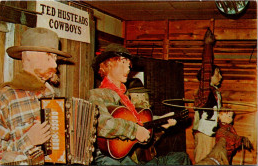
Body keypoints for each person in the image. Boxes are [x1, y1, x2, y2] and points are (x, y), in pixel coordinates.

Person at [89, 43, 190, 165]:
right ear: (108, 65)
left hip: (130, 158)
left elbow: (138, 125)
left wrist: (161, 123)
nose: (128, 69)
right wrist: (135, 130)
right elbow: (103, 124)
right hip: (107, 159)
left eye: (128, 65)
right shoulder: (97, 95)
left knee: (180, 158)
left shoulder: (125, 98)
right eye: (123, 63)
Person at [0, 27, 72, 165]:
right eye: (49, 56)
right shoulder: (6, 97)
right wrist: (28, 141)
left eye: (55, 58)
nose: (55, 64)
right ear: (29, 56)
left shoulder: (52, 95)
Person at [192, 28, 223, 163]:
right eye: (217, 74)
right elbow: (206, 66)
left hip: (212, 134)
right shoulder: (205, 91)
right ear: (209, 76)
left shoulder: (215, 92)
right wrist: (208, 45)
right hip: (204, 134)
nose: (221, 77)